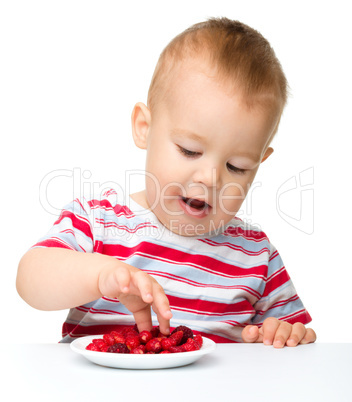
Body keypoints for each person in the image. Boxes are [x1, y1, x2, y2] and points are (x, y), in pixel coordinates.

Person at [16, 17, 316, 348]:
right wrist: (100, 275)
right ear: (145, 127)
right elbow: (30, 279)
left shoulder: (257, 256)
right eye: (190, 150)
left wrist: (286, 334)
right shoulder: (98, 223)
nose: (211, 178)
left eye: (237, 166)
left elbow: (298, 344)